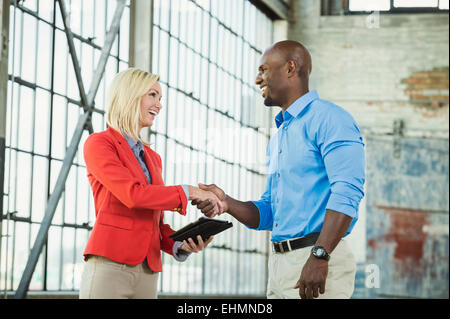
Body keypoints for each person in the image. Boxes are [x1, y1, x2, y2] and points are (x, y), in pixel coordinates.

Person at [193, 40, 365, 299]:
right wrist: (227, 203)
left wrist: (320, 255)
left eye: (263, 70)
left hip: (318, 258)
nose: (257, 79)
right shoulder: (280, 136)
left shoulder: (330, 119)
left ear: (290, 68)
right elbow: (269, 211)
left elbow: (348, 191)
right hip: (279, 266)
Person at [79, 68, 223, 299]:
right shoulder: (99, 144)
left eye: (160, 98)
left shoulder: (153, 158)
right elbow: (133, 195)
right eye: (153, 95)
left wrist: (180, 244)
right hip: (111, 265)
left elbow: (154, 223)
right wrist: (190, 192)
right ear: (131, 95)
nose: (159, 104)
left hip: (148, 272)